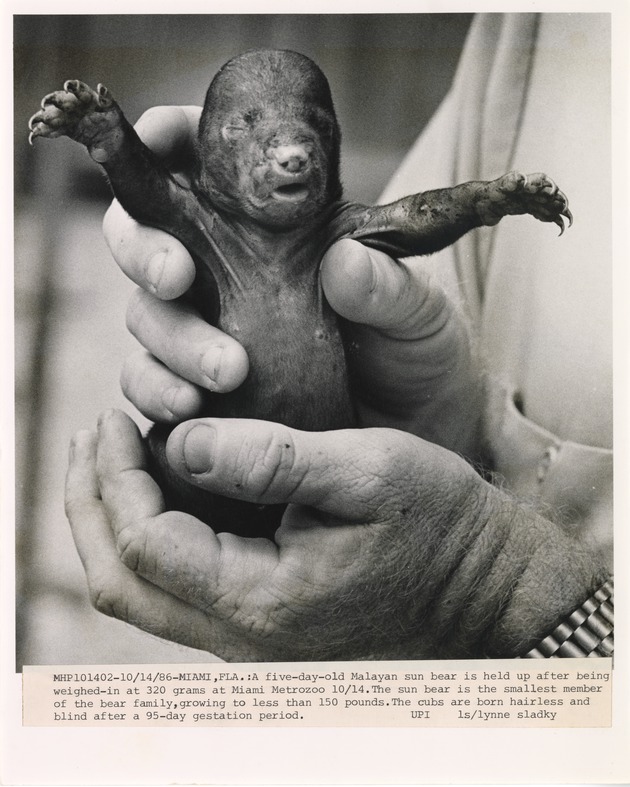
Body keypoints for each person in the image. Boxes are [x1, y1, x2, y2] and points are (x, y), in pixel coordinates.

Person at [64, 13, 613, 661]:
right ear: (210, 147)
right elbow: (150, 190)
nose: (294, 150)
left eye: (315, 129)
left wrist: (489, 200)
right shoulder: (205, 222)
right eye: (249, 127)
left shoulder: (335, 229)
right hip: (200, 478)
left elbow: (414, 218)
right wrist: (109, 136)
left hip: (342, 500)